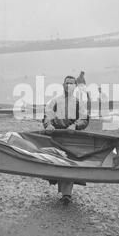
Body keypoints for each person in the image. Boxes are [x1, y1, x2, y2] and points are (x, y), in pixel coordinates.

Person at [42, 75, 89, 205]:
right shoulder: (55, 101)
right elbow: (47, 116)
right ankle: (63, 190)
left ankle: (66, 194)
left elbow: (85, 119)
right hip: (56, 137)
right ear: (63, 85)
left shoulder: (79, 103)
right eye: (67, 83)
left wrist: (75, 125)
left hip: (72, 138)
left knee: (69, 164)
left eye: (72, 84)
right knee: (57, 163)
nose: (69, 85)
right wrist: (49, 125)